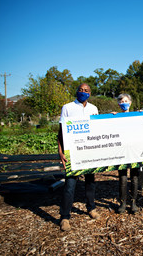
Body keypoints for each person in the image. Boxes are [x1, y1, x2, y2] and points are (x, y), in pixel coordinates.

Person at [58, 83, 100, 231]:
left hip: (89, 151)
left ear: (90, 93)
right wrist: (60, 152)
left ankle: (91, 208)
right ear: (77, 91)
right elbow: (61, 132)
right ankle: (65, 217)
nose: (83, 92)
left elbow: (98, 129)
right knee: (70, 185)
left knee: (90, 181)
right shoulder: (68, 107)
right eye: (81, 90)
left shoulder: (93, 109)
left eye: (86, 90)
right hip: (73, 152)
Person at [112, 93, 140, 214]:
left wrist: (141, 115)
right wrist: (110, 117)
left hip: (135, 151)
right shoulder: (115, 117)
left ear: (130, 102)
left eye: (126, 101)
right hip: (121, 151)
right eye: (122, 101)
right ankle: (123, 202)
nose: (124, 103)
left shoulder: (137, 115)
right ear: (119, 104)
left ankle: (133, 203)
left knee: (134, 177)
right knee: (122, 178)